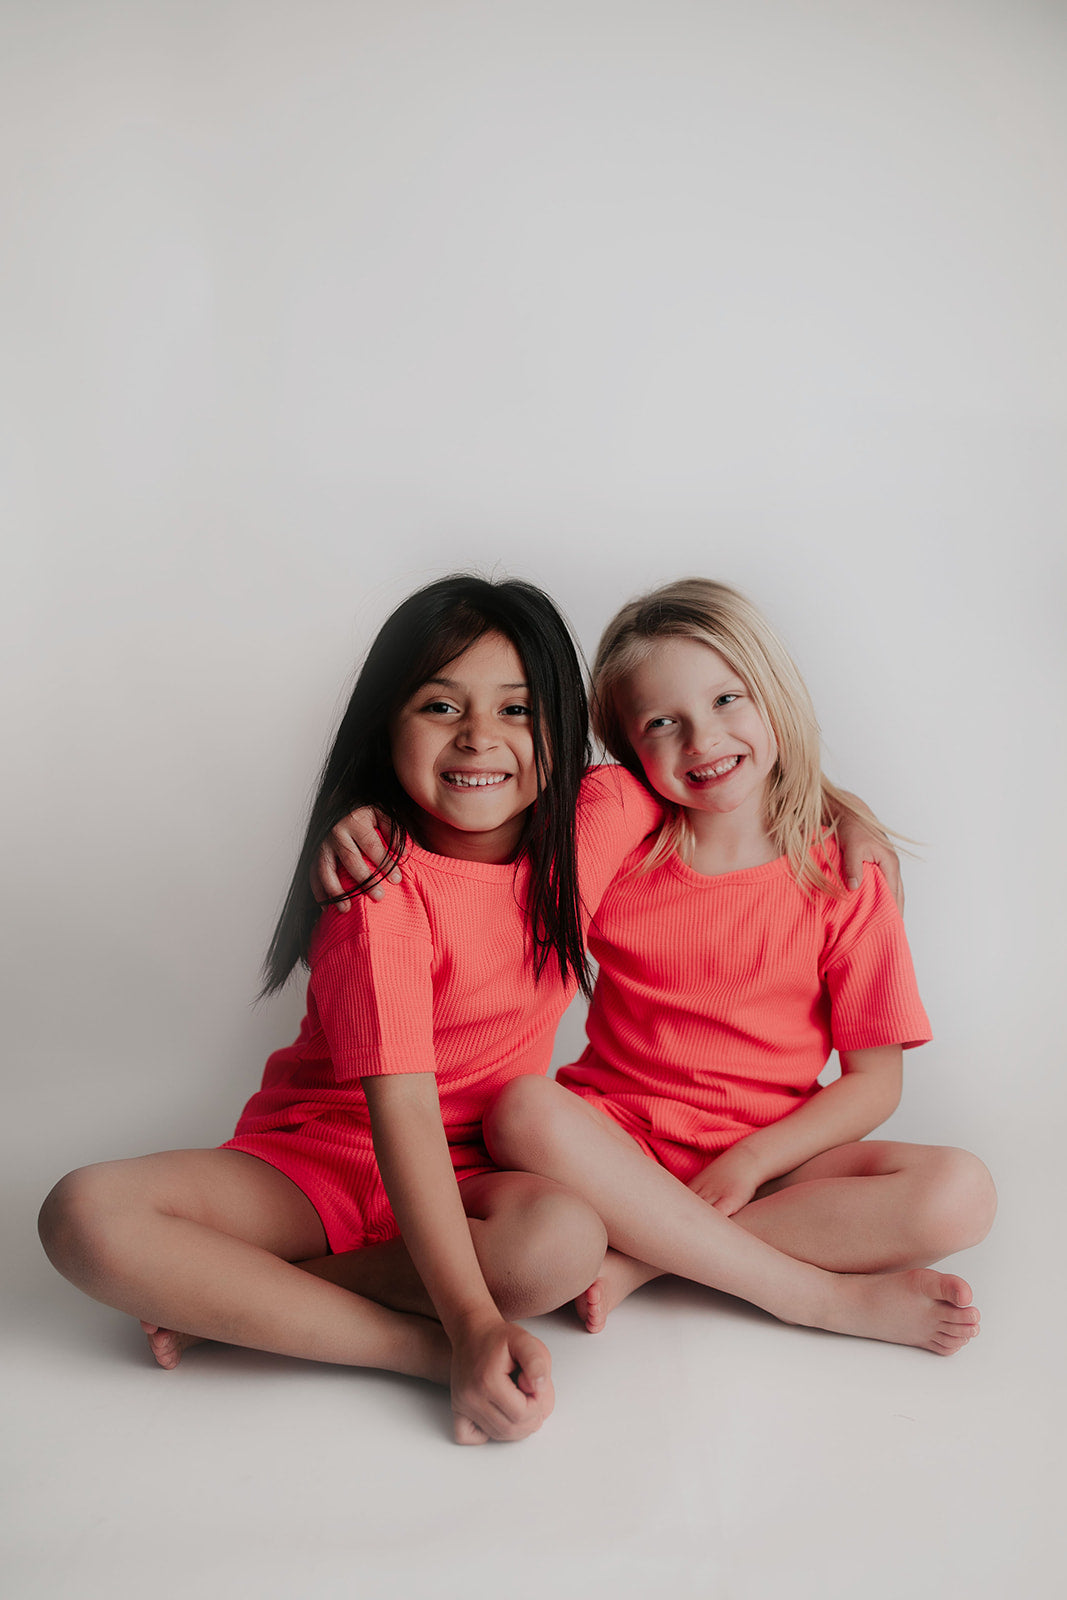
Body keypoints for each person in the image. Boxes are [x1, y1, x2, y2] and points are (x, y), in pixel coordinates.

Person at [38, 575, 666, 1445]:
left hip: (472, 1172)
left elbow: (710, 771)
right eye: (439, 706)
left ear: (563, 728)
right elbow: (400, 1107)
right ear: (386, 726)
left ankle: (244, 1300)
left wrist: (838, 815)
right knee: (84, 1214)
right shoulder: (375, 884)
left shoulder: (595, 822)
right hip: (320, 1165)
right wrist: (469, 1331)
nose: (479, 736)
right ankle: (410, 1349)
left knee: (560, 1244)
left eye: (518, 709)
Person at [483, 579, 995, 1349]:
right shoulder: (617, 845)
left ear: (773, 696)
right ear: (629, 748)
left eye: (727, 699)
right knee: (520, 1109)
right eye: (662, 722)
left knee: (960, 1194)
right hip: (619, 1147)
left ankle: (644, 1258)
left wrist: (751, 1161)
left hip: (774, 1155)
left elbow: (874, 1082)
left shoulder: (842, 875)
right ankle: (817, 1297)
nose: (702, 739)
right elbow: (495, 890)